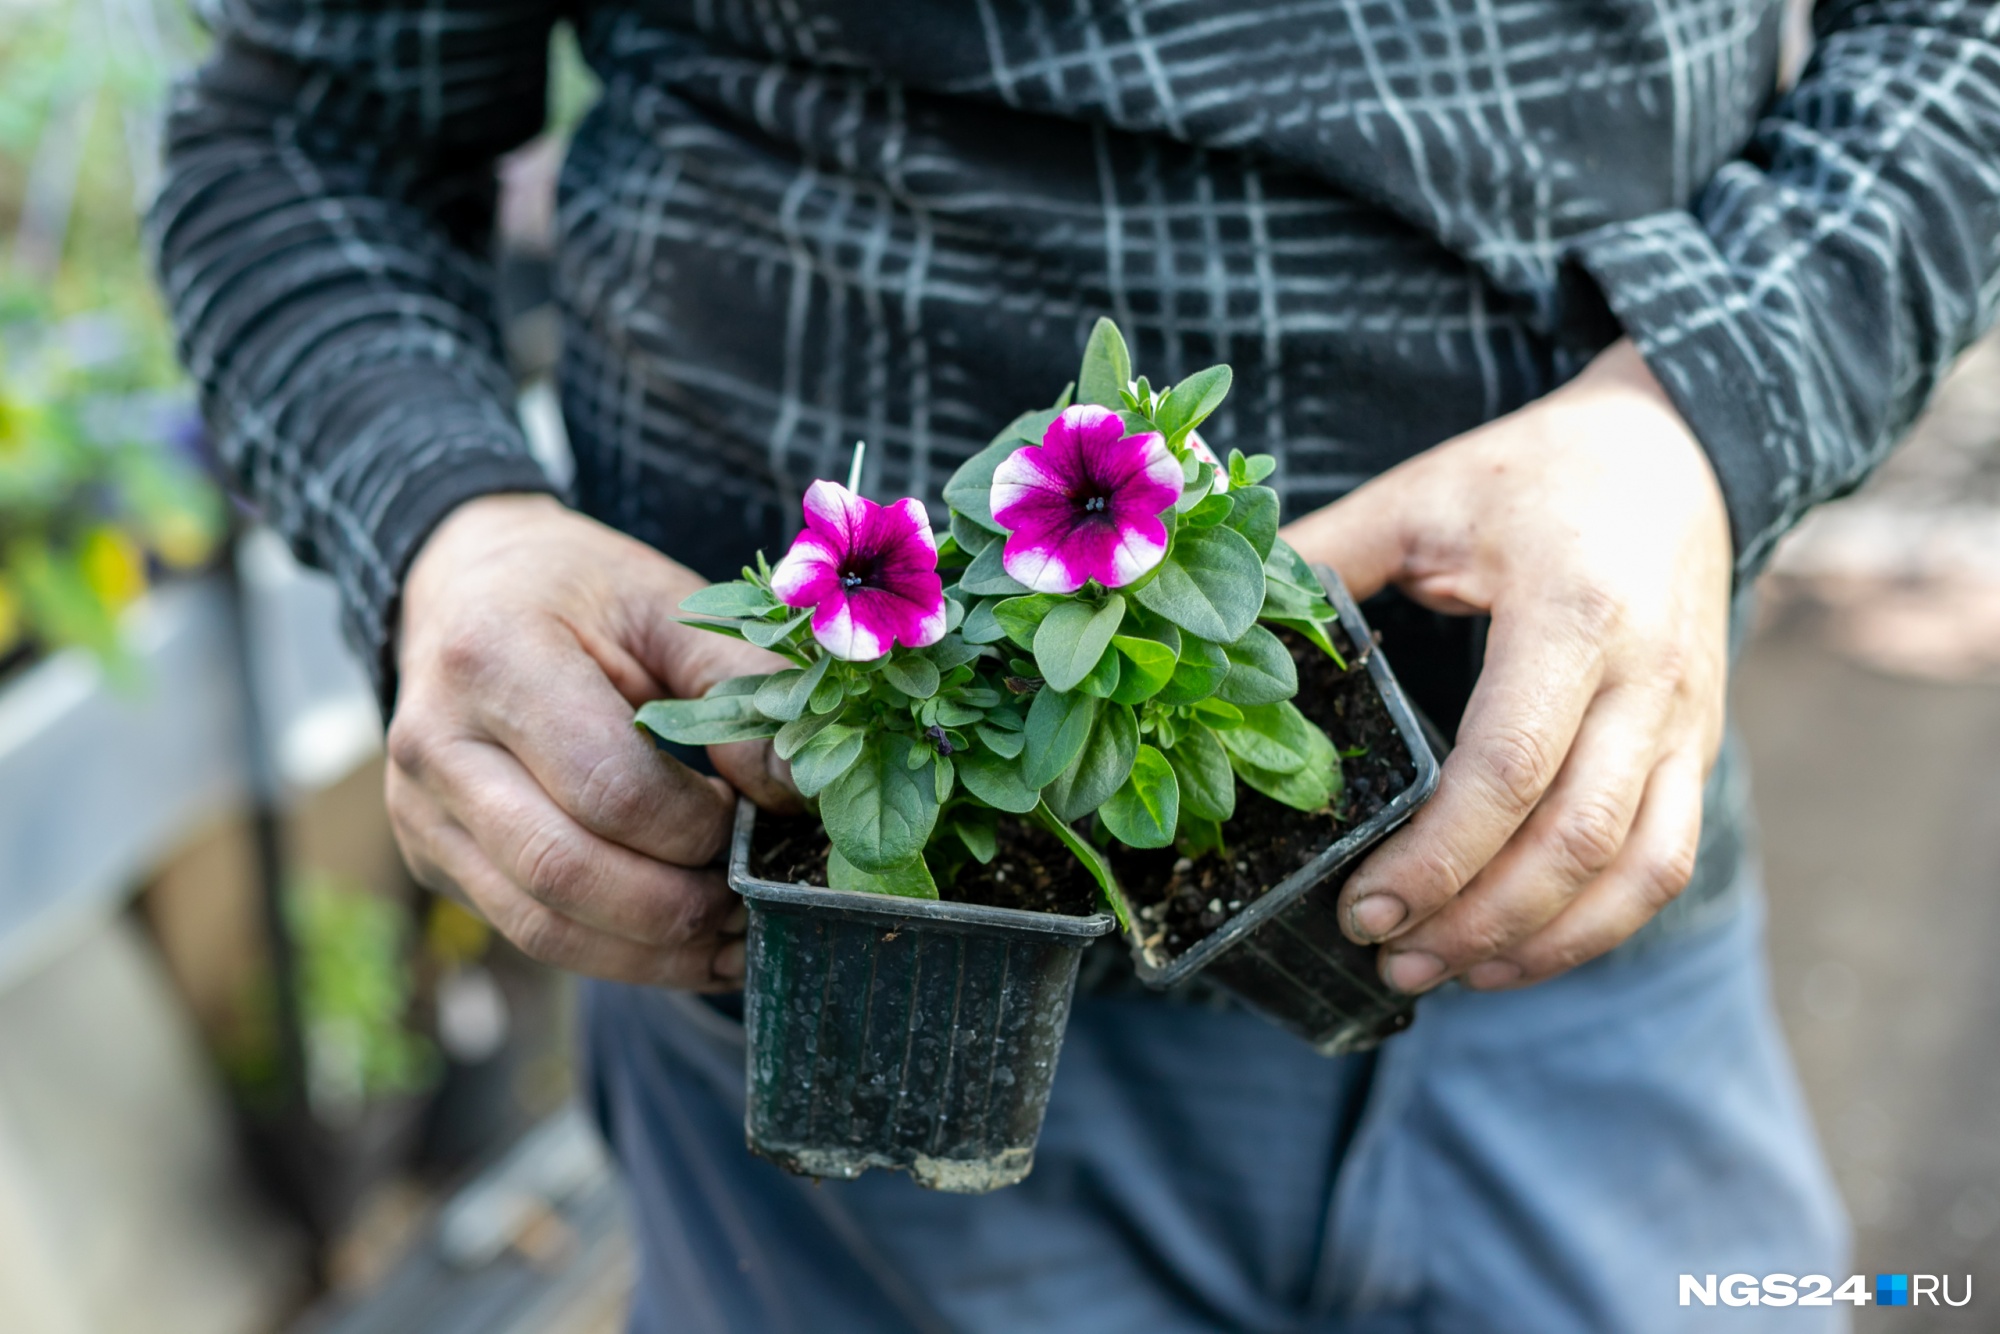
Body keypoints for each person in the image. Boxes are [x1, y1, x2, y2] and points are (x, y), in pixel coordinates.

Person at [153, 3, 1998, 1329]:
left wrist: (1701, 406)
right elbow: (297, 132)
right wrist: (445, 524)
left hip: (1584, 931)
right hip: (863, 1045)